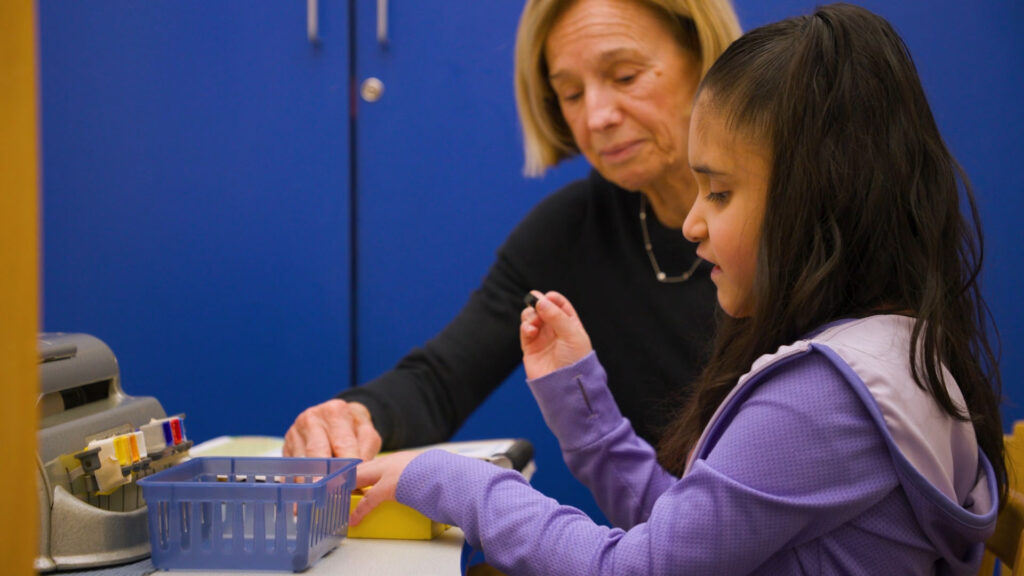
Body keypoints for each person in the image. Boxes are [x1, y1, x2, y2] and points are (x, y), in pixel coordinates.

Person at [351, 4, 1007, 574]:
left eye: (718, 193)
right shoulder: (892, 349)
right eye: (570, 94)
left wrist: (455, 481)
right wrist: (580, 401)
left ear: (817, 200)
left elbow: (640, 567)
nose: (694, 222)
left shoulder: (822, 399)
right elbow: (689, 530)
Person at [284, 0, 742, 461]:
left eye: (625, 76)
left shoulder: (793, 213)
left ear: (706, 60)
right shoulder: (570, 229)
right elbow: (442, 381)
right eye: (571, 94)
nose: (597, 116)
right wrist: (355, 417)